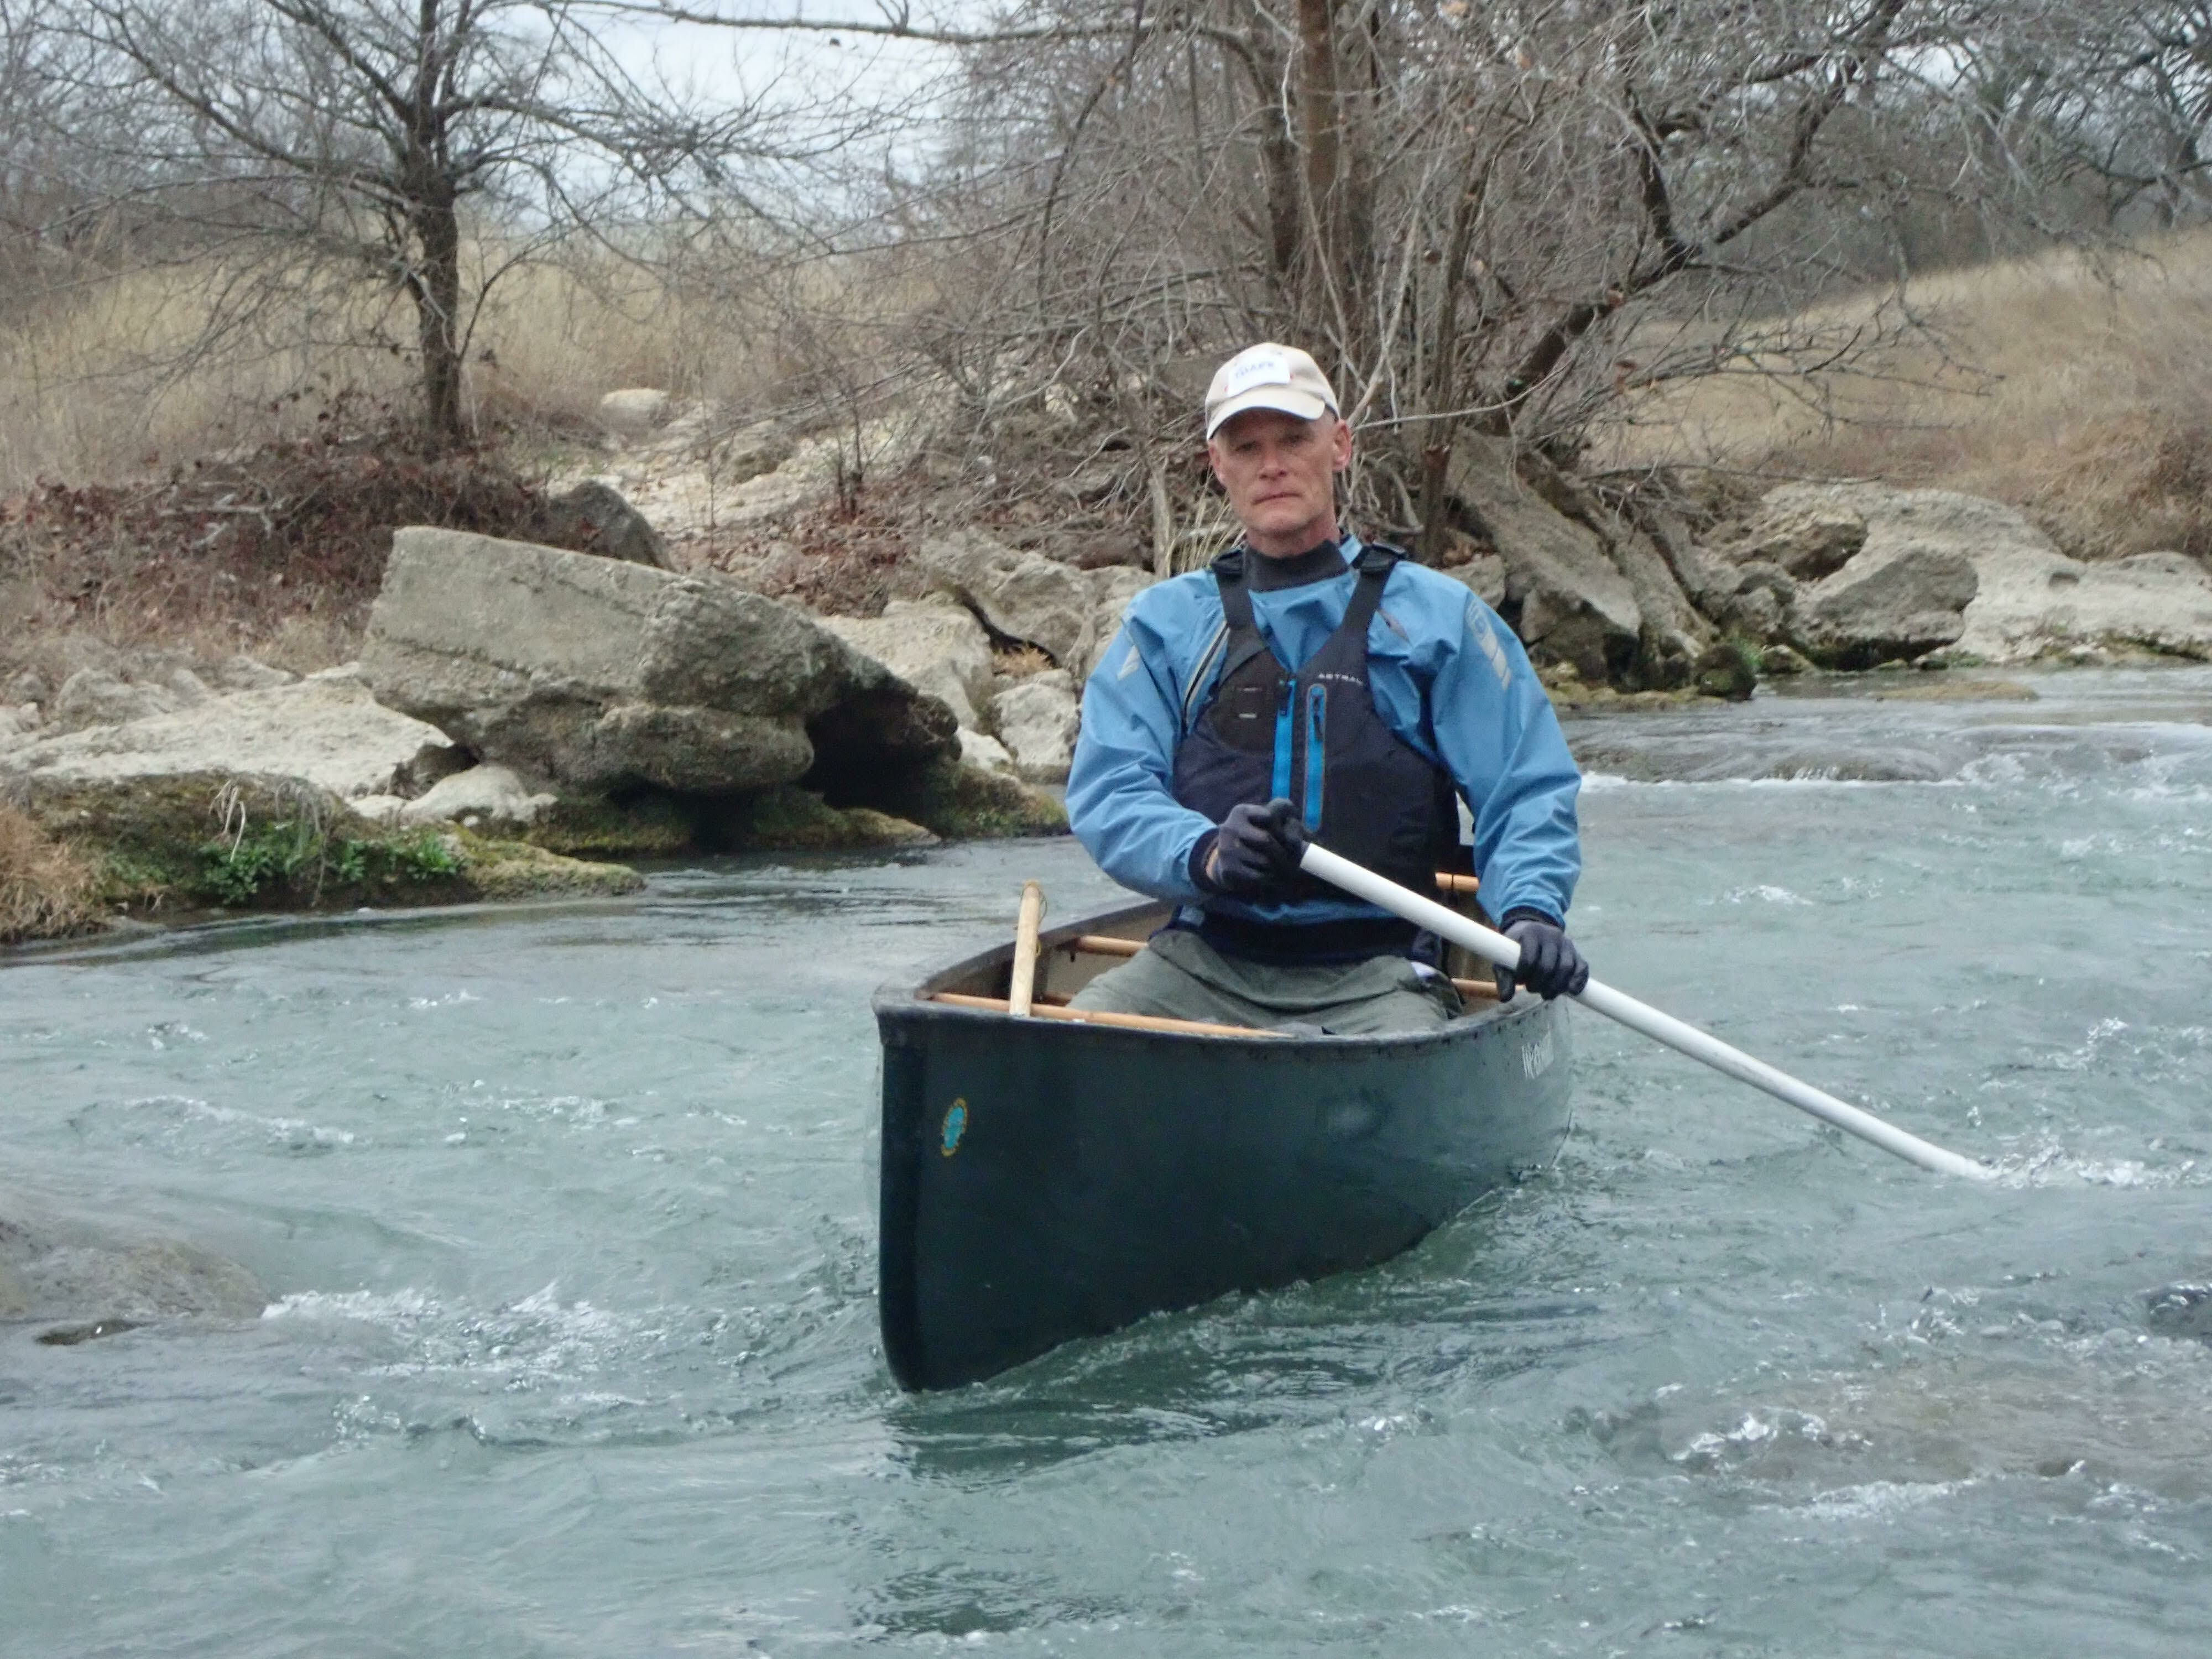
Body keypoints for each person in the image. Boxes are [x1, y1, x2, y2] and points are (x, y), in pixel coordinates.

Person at [1063, 342, 1588, 1034]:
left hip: (1383, 969)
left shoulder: (1437, 619)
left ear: (1339, 446)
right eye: (1246, 447)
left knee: (1397, 1050)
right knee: (1072, 1036)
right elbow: (1111, 789)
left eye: (1293, 439)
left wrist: (1529, 911)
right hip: (1202, 961)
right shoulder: (1165, 625)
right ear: (1217, 466)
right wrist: (1208, 852)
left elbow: (1522, 786)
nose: (1271, 464)